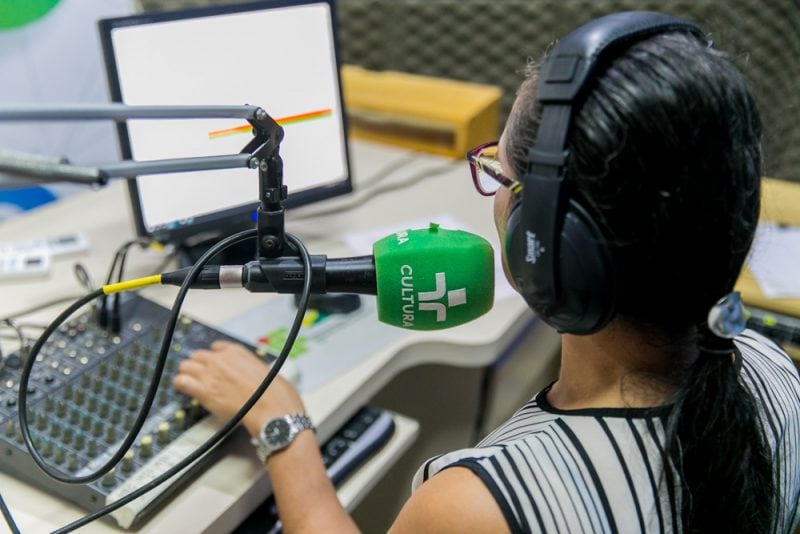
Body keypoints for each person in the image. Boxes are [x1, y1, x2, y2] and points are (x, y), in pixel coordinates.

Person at [173, 12, 800, 533]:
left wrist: (282, 426)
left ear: (543, 241)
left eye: (499, 175)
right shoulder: (776, 374)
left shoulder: (477, 506)